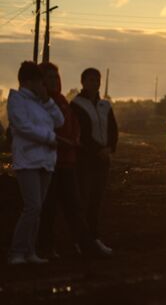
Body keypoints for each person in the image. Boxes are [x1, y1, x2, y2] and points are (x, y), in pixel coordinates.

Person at [37, 62, 107, 259]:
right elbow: (47, 130)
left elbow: (74, 124)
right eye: (49, 77)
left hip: (67, 162)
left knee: (74, 205)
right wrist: (68, 141)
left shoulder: (61, 101)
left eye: (56, 77)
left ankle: (85, 245)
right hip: (49, 162)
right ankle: (46, 247)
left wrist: (74, 139)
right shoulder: (41, 103)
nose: (54, 81)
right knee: (48, 208)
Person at [7, 61, 64, 265]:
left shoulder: (42, 102)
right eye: (40, 81)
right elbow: (23, 127)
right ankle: (17, 252)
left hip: (45, 161)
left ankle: (30, 252)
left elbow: (60, 121)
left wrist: (48, 100)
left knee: (37, 208)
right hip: (27, 160)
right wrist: (49, 138)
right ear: (29, 81)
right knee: (32, 207)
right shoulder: (16, 100)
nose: (43, 85)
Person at [71, 68, 118, 256]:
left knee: (96, 201)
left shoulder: (105, 105)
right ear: (83, 82)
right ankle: (80, 240)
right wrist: (96, 150)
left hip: (103, 159)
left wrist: (109, 148)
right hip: (85, 159)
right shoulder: (76, 104)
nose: (95, 83)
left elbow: (113, 130)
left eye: (97, 80)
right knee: (83, 198)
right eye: (91, 80)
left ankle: (93, 238)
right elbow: (78, 132)